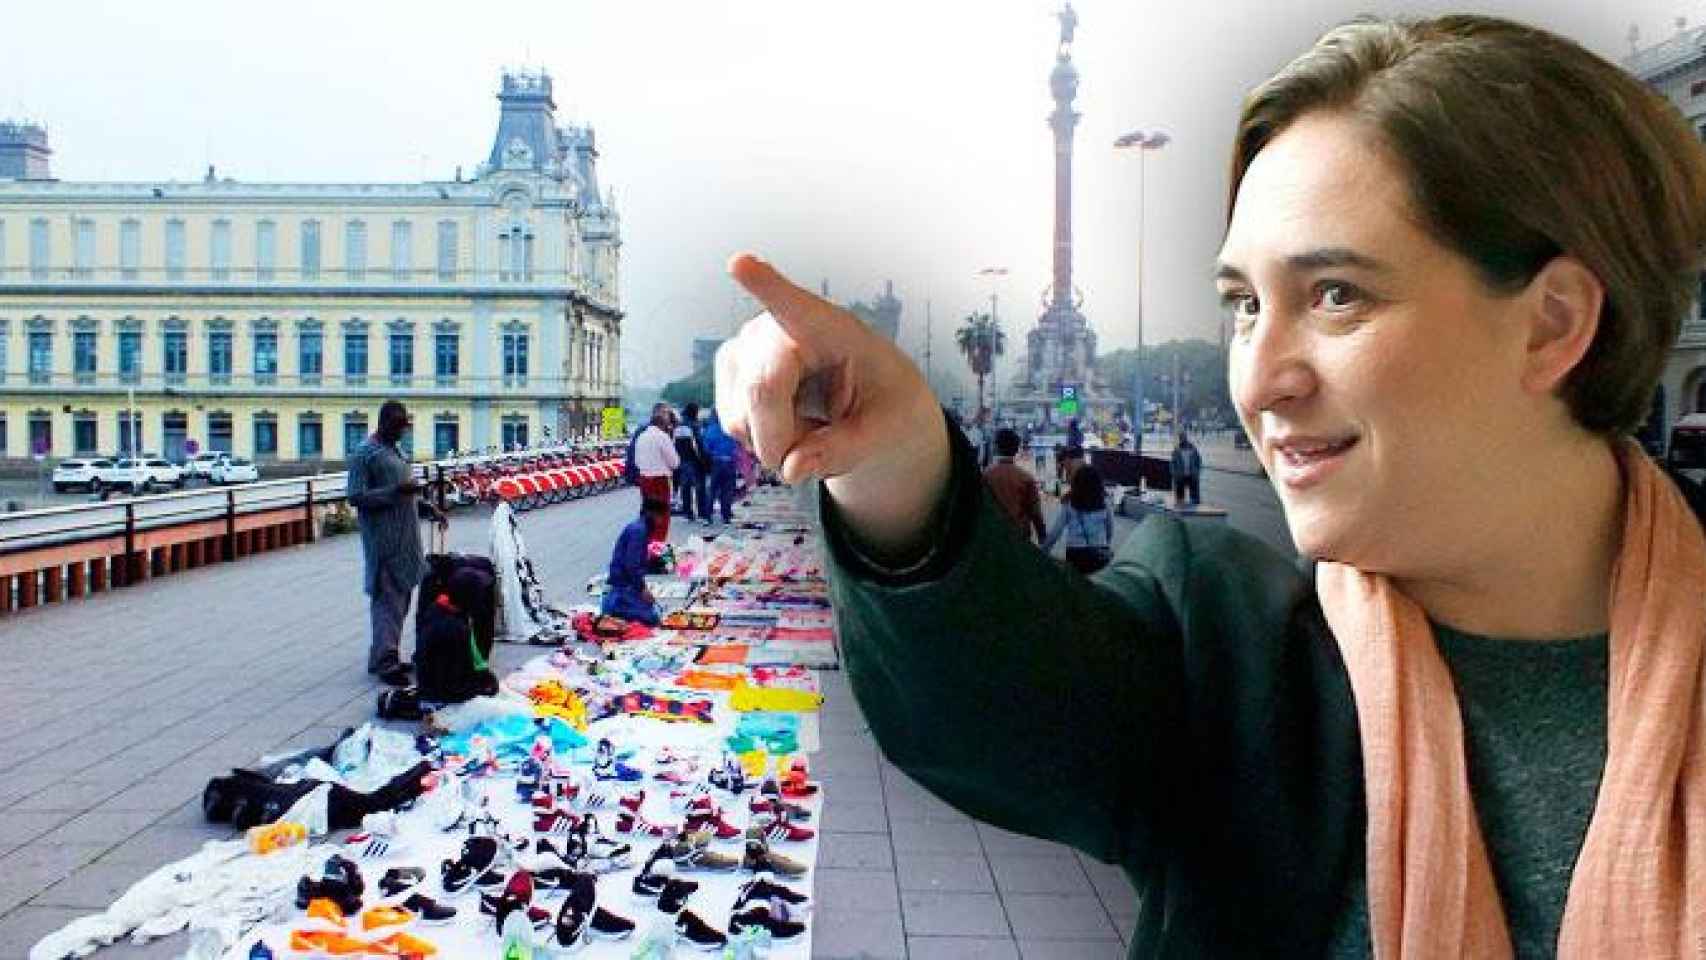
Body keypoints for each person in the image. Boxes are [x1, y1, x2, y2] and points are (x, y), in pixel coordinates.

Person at [710, 14, 1706, 956]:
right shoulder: (1232, 653)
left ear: (1550, 324)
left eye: (1335, 294)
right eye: (1240, 305)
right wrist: (896, 471)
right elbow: (998, 708)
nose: (1259, 378)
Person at [346, 400, 446, 686]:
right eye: (398, 427)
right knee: (387, 603)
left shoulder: (396, 450)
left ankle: (384, 654)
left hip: (407, 540)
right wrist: (394, 491)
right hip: (384, 542)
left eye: (405, 427)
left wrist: (427, 508)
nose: (402, 432)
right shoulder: (366, 454)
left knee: (400, 603)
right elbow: (355, 496)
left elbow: (408, 493)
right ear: (384, 423)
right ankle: (385, 662)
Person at [600, 498, 669, 626]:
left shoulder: (640, 527)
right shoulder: (639, 531)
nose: (661, 522)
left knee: (652, 611)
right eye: (661, 517)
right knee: (653, 618)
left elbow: (638, 560)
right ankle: (616, 609)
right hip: (623, 585)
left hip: (626, 582)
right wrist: (642, 589)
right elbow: (632, 565)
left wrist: (653, 566)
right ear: (653, 514)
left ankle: (621, 608)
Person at [1040, 464, 1113, 574]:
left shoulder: (1069, 503)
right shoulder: (1105, 501)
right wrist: (1104, 545)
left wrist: (1044, 551)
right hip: (1099, 552)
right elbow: (1110, 529)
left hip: (1075, 553)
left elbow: (1056, 531)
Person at [983, 427, 1045, 543]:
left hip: (993, 535)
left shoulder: (986, 476)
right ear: (1017, 450)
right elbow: (1035, 511)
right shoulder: (1026, 478)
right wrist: (1042, 535)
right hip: (1019, 535)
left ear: (996, 447)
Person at [631, 403, 679, 544]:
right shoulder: (662, 437)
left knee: (649, 517)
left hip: (645, 480)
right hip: (659, 481)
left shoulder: (642, 436)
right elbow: (675, 462)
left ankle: (646, 547)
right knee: (661, 520)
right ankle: (656, 551)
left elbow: (637, 462)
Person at [673, 402, 711, 525]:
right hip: (695, 462)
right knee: (700, 488)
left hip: (682, 461)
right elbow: (699, 445)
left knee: (685, 488)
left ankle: (688, 513)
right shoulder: (694, 426)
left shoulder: (677, 427)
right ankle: (702, 513)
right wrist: (705, 461)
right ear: (694, 412)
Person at [702, 408, 740, 525]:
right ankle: (726, 516)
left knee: (712, 490)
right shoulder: (732, 428)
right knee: (727, 490)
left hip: (716, 462)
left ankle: (708, 516)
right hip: (730, 462)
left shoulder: (710, 430)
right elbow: (737, 445)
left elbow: (706, 448)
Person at [1170, 431, 1203, 508]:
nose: (1182, 439)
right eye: (1181, 438)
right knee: (1180, 496)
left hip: (1192, 475)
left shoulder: (1193, 449)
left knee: (1194, 497)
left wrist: (1197, 472)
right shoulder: (1176, 450)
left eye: (1183, 437)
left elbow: (1199, 461)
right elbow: (1172, 463)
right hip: (1180, 476)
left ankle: (1196, 509)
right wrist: (1174, 473)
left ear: (1186, 438)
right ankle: (1180, 508)